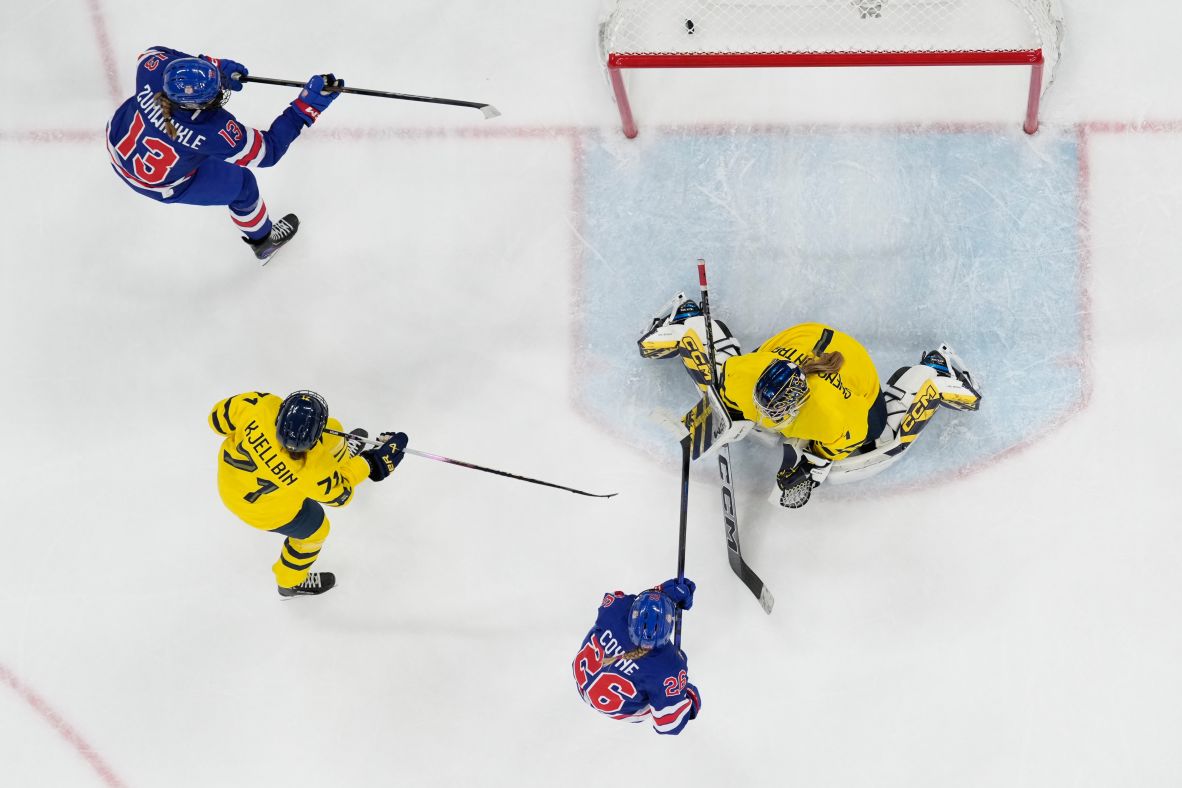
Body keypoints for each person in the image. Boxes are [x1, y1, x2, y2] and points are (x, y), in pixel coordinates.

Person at [639, 296, 981, 507]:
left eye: (774, 411)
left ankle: (933, 373)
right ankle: (690, 320)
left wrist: (810, 467)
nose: (764, 416)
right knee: (716, 380)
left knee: (881, 440)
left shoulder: (833, 417)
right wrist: (723, 412)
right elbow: (726, 387)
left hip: (853, 367)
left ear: (797, 401)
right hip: (801, 339)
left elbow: (842, 443)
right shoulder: (744, 374)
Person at [106, 45, 345, 262]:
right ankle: (263, 242)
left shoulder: (151, 69)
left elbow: (155, 53)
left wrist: (212, 68)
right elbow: (268, 151)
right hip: (157, 182)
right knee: (244, 187)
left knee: (195, 151)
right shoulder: (213, 132)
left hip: (118, 143)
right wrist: (305, 109)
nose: (219, 92)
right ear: (193, 106)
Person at [208, 390, 407, 597]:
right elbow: (341, 495)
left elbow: (216, 420)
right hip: (264, 511)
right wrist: (371, 462)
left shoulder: (260, 407)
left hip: (230, 484)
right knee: (317, 529)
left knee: (334, 430)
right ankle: (289, 582)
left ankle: (342, 458)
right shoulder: (314, 472)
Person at [572, 579, 701, 735]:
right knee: (663, 686)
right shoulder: (668, 668)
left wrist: (659, 592)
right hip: (622, 711)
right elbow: (668, 725)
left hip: (581, 677)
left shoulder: (616, 609)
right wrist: (688, 695)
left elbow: (629, 601)